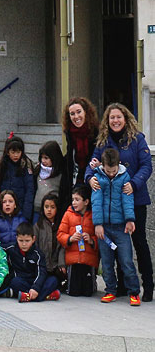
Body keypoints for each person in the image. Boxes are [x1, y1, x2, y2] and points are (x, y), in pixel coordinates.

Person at [86, 103, 153, 302]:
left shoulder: (137, 139)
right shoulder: (103, 141)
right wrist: (90, 177)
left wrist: (134, 183)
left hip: (135, 199)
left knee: (139, 242)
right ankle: (120, 286)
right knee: (115, 246)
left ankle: (147, 285)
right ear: (107, 121)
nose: (115, 121)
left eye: (118, 117)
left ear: (125, 118)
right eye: (112, 118)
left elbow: (146, 166)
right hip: (111, 203)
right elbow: (92, 164)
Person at [91, 147, 141, 306]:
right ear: (102, 165)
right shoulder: (98, 178)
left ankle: (134, 292)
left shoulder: (124, 177)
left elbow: (128, 200)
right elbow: (96, 202)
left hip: (121, 227)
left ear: (119, 164)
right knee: (106, 263)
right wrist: (98, 224)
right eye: (108, 171)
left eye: (113, 171)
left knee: (126, 261)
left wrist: (130, 219)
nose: (111, 174)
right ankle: (110, 290)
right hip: (104, 228)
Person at [57, 184, 98, 297]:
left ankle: (92, 282)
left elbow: (99, 236)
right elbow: (60, 234)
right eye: (73, 200)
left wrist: (91, 240)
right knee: (73, 292)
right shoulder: (68, 214)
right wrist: (70, 238)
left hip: (88, 260)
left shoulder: (93, 215)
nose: (74, 202)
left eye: (77, 199)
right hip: (73, 260)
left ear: (86, 202)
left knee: (88, 293)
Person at [3, 222, 60, 302]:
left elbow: (41, 273)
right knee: (14, 282)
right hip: (22, 281)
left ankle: (28, 296)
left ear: (33, 239)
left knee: (53, 280)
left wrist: (35, 288)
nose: (24, 244)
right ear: (16, 238)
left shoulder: (38, 254)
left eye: (27, 241)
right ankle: (44, 296)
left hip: (36, 281)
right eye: (21, 240)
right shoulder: (11, 248)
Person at [0, 135, 35, 222]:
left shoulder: (26, 165)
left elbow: (30, 190)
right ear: (8, 152)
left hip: (21, 208)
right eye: (13, 152)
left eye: (18, 152)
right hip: (5, 207)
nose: (16, 155)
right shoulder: (3, 165)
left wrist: (26, 214)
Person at [63, 96, 100, 184]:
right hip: (77, 177)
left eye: (79, 112)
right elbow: (69, 159)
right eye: (72, 114)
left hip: (95, 177)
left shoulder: (97, 131)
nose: (76, 116)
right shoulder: (69, 133)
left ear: (85, 112)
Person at [34, 193, 66, 290]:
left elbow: (62, 247)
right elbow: (35, 246)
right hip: (42, 265)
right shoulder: (38, 226)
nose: (49, 210)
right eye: (46, 207)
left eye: (52, 207)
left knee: (54, 280)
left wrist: (61, 263)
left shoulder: (61, 225)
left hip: (56, 265)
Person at [34, 141, 70, 223]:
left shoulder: (61, 174)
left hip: (53, 212)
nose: (43, 161)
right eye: (42, 158)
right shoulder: (38, 171)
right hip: (37, 210)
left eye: (46, 158)